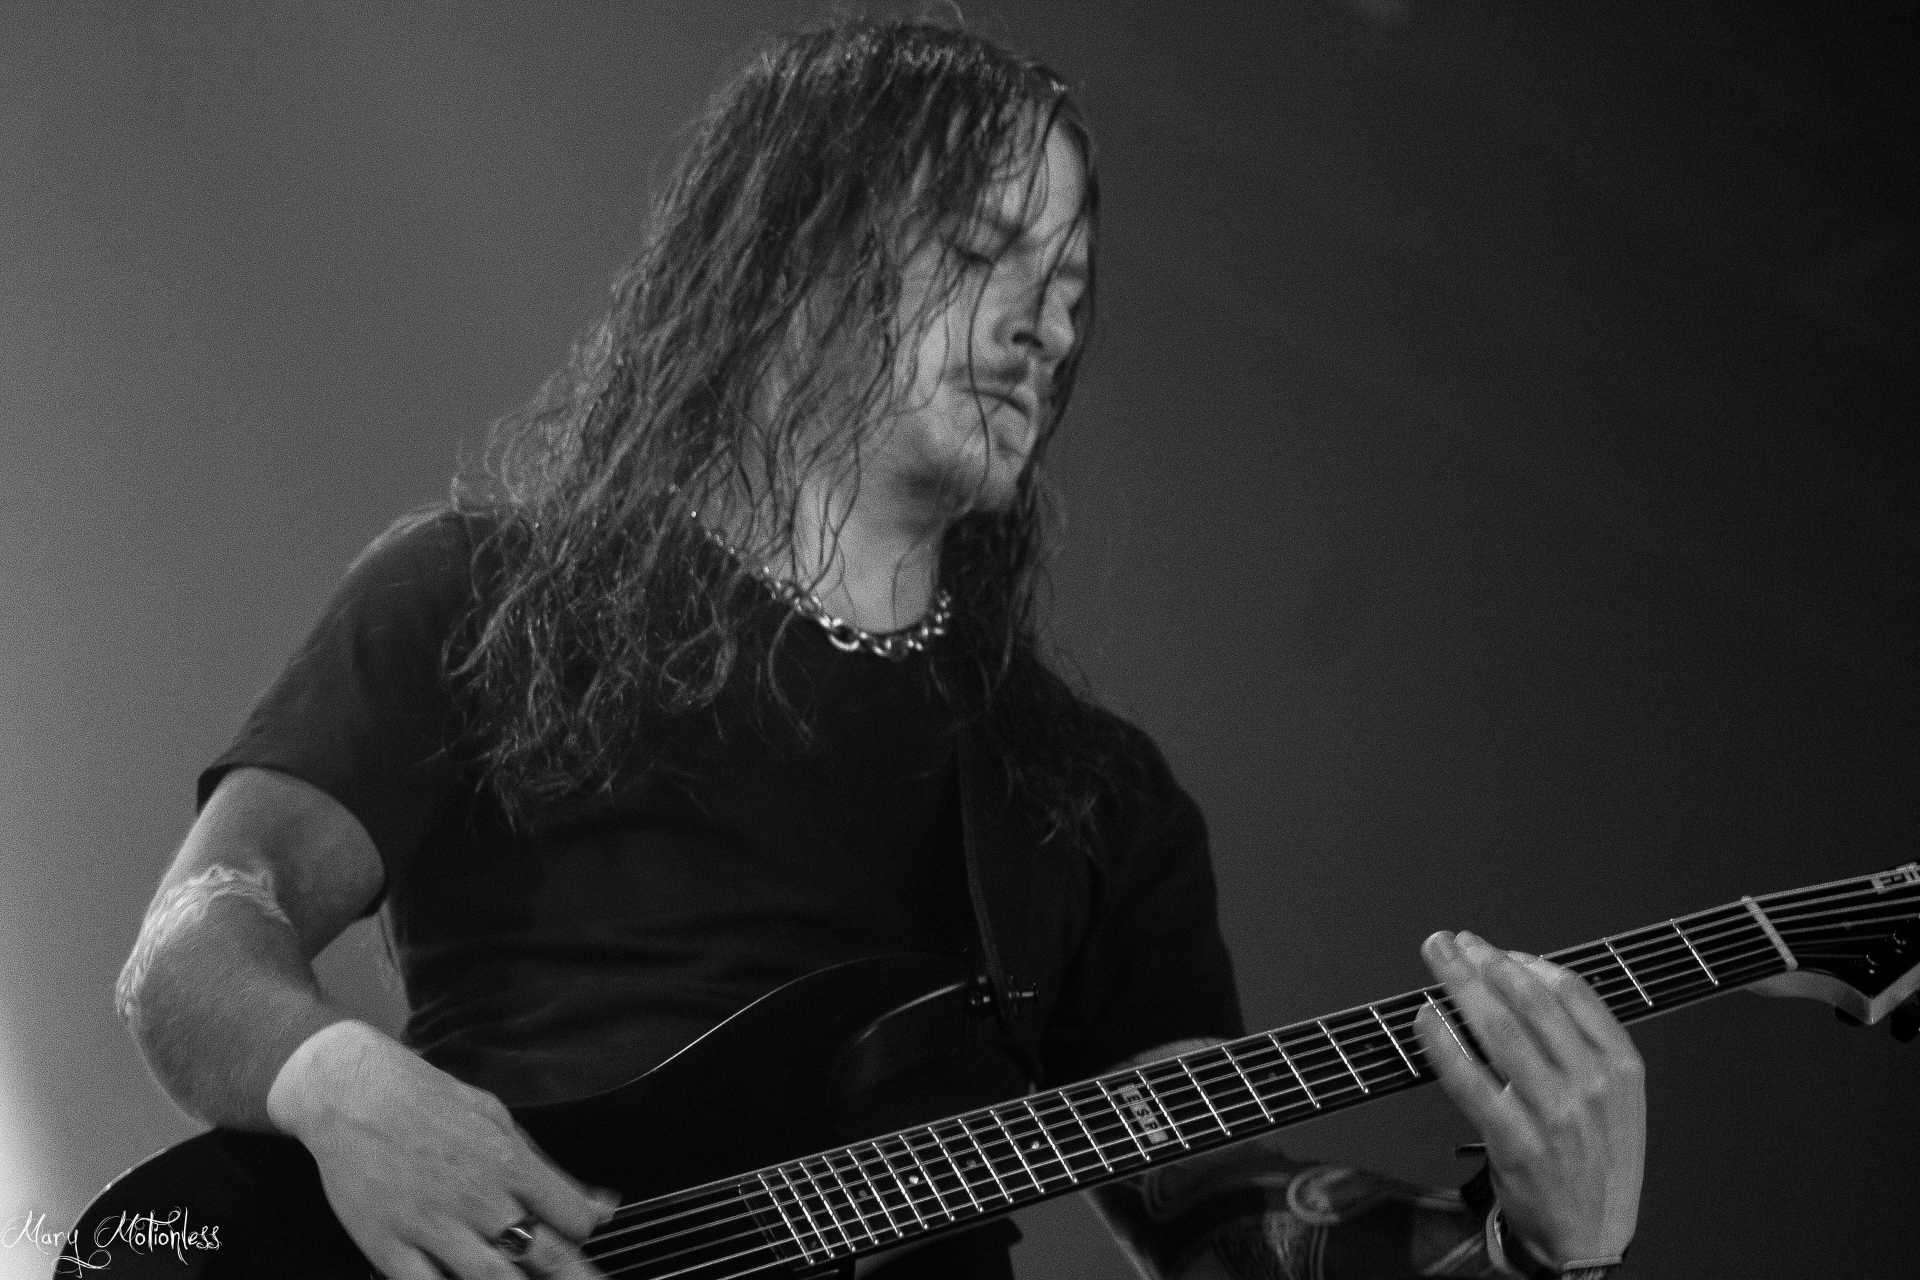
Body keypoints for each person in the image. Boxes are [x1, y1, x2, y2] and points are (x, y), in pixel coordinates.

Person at [113, 17, 1644, 1280]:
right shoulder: (481, 593)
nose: (1049, 330)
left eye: (1071, 292)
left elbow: (1227, 1222)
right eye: (986, 253)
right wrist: (341, 1085)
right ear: (791, 257)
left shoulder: (1087, 799)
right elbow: (193, 946)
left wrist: (1535, 1253)